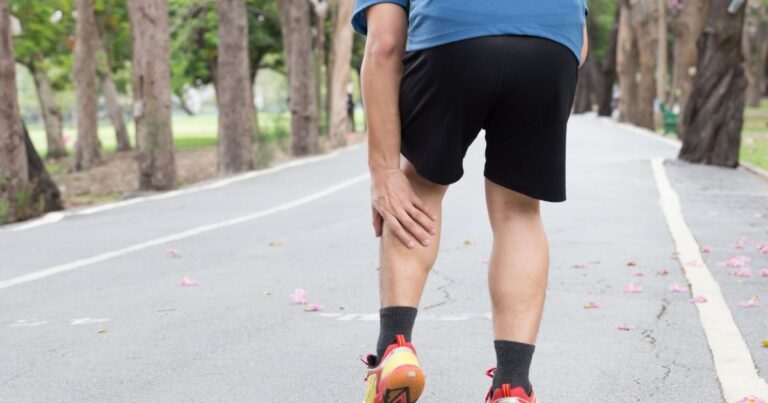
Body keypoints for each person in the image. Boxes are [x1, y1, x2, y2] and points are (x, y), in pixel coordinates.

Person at [351, 1, 589, 402]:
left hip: (452, 33)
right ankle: (513, 386)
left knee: (416, 187)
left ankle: (396, 348)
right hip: (552, 45)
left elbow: (385, 45)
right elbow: (579, 46)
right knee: (519, 211)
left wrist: (385, 172)